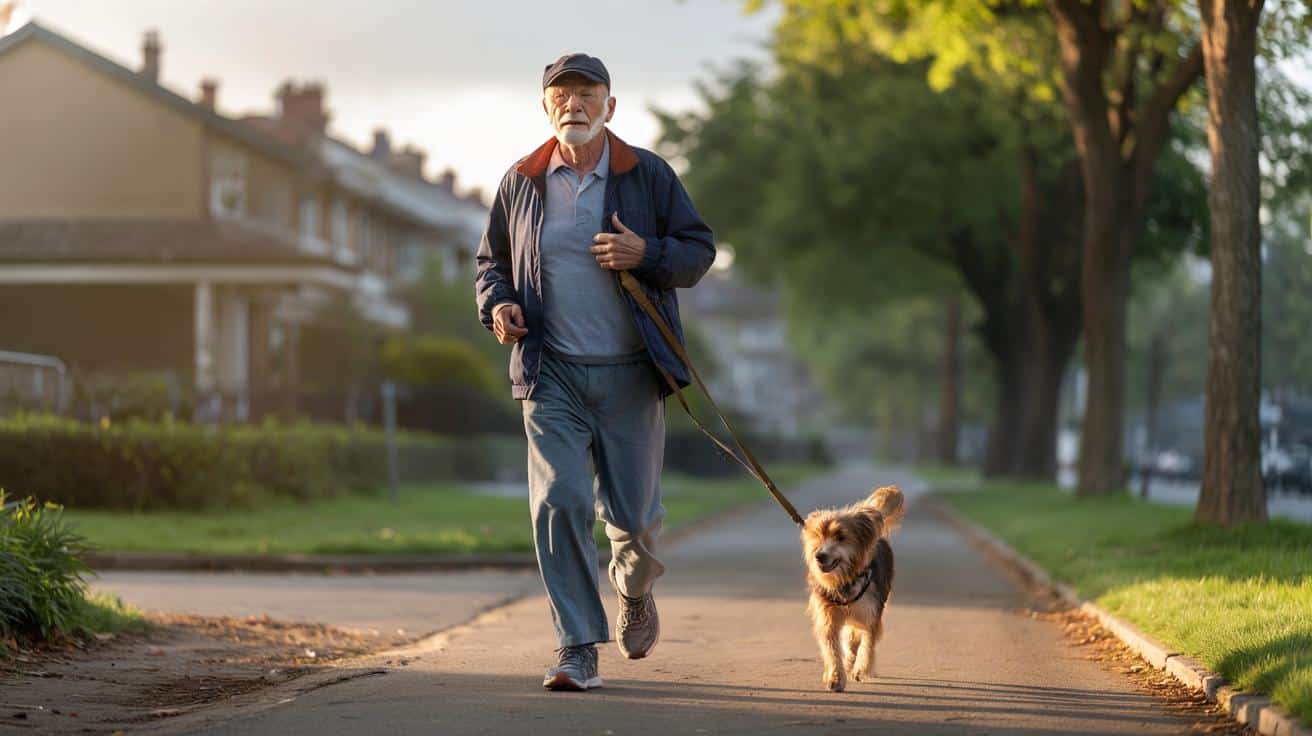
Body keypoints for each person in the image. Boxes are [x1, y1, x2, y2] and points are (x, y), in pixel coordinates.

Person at [474, 52, 716, 691]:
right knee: (560, 501)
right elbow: (490, 264)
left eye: (587, 95)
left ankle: (634, 589)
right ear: (546, 107)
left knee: (632, 517)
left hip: (633, 372)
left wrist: (647, 252)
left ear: (610, 107)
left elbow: (698, 252)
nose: (573, 106)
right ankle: (577, 645)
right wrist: (497, 303)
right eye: (562, 96)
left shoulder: (649, 175)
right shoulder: (521, 180)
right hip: (550, 373)